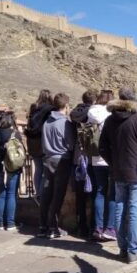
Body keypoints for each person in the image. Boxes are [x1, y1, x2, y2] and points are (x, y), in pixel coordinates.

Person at [99, 87, 137, 263]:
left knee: (120, 206)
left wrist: (113, 163)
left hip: (118, 172)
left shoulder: (110, 120)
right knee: (135, 208)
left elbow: (102, 147)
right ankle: (132, 251)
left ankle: (122, 248)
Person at [40, 93, 75, 238]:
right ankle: (53, 228)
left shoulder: (46, 122)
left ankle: (43, 226)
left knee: (47, 194)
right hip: (62, 160)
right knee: (58, 195)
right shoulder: (65, 123)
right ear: (66, 106)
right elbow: (71, 144)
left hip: (48, 159)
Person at [86, 90, 117, 241]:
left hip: (95, 158)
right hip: (110, 158)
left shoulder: (91, 113)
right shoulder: (111, 114)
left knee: (99, 191)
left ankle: (97, 228)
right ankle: (110, 228)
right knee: (113, 194)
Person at [70, 89, 98, 237]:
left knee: (80, 196)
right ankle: (94, 227)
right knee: (94, 194)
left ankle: (81, 227)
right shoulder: (93, 114)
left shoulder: (74, 114)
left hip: (77, 158)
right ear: (94, 101)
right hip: (91, 158)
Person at [0, 112, 24, 231]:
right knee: (11, 194)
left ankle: (1, 223)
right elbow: (21, 150)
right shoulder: (15, 134)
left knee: (1, 194)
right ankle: (10, 223)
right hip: (12, 167)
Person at [24, 90, 53, 200]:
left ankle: (38, 194)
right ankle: (43, 194)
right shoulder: (50, 109)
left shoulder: (33, 108)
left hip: (33, 143)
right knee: (46, 171)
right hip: (45, 143)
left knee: (38, 169)